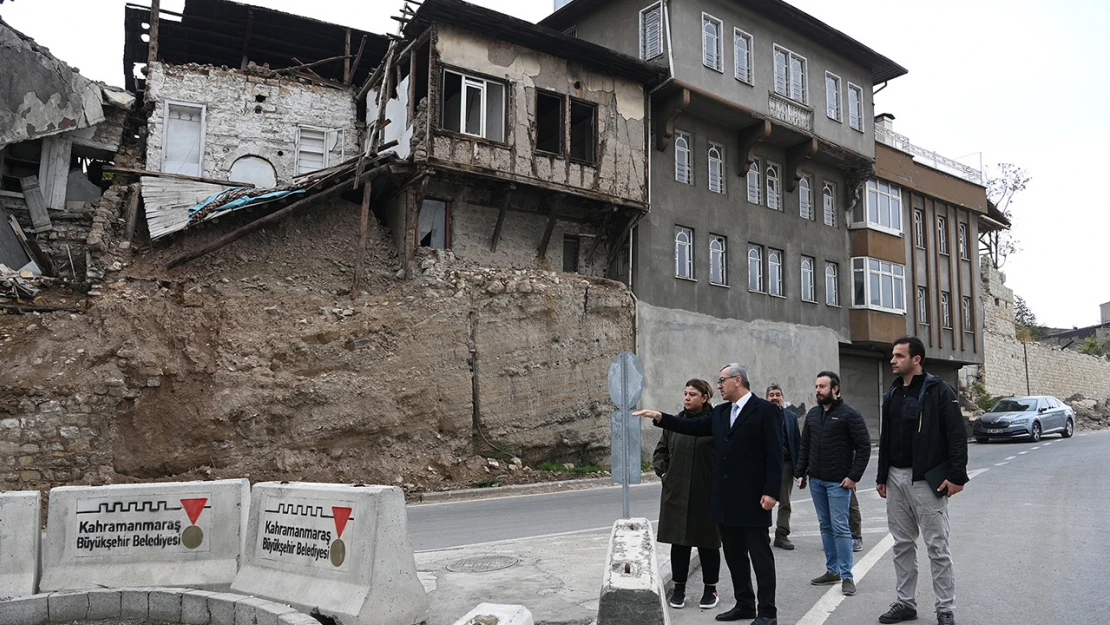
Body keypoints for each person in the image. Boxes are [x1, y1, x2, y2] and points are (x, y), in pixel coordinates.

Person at [636, 364, 782, 625]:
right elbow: (690, 427)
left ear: (738, 381)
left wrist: (771, 491)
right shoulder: (722, 413)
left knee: (760, 557)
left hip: (753, 499)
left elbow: (774, 454)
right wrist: (660, 417)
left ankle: (768, 612)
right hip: (725, 499)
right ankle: (745, 604)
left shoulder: (765, 410)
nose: (718, 386)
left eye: (722, 381)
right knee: (735, 556)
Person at [876, 336, 969, 625]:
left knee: (937, 547)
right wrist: (882, 476)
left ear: (916, 360)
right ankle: (905, 603)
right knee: (902, 544)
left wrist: (956, 476)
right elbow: (886, 438)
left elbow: (956, 434)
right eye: (893, 355)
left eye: (899, 356)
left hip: (927, 480)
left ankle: (945, 609)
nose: (893, 360)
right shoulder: (892, 394)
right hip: (895, 477)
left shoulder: (939, 391)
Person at [793, 371, 870, 597]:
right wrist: (800, 473)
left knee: (841, 527)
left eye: (822, 387)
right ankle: (831, 571)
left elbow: (864, 447)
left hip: (839, 483)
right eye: (816, 386)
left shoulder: (849, 415)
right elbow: (804, 446)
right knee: (825, 526)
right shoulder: (814, 415)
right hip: (816, 480)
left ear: (835, 389)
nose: (818, 391)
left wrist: (854, 476)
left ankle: (847, 576)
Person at [652, 379, 722, 610]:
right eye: (685, 393)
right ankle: (679, 588)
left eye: (693, 394)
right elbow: (661, 452)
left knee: (708, 542)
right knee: (679, 542)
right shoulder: (675, 423)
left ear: (705, 397)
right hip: (677, 492)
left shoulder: (716, 423)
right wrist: (665, 475)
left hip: (706, 492)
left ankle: (710, 589)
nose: (687, 398)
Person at [765, 384, 801, 551]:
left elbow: (797, 442)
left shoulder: (791, 417)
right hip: (765, 465)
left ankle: (782, 534)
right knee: (764, 499)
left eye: (777, 394)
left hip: (786, 464)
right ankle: (763, 533)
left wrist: (800, 470)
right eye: (771, 395)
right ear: (767, 398)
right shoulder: (760, 416)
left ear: (782, 397)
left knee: (784, 501)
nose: (774, 397)